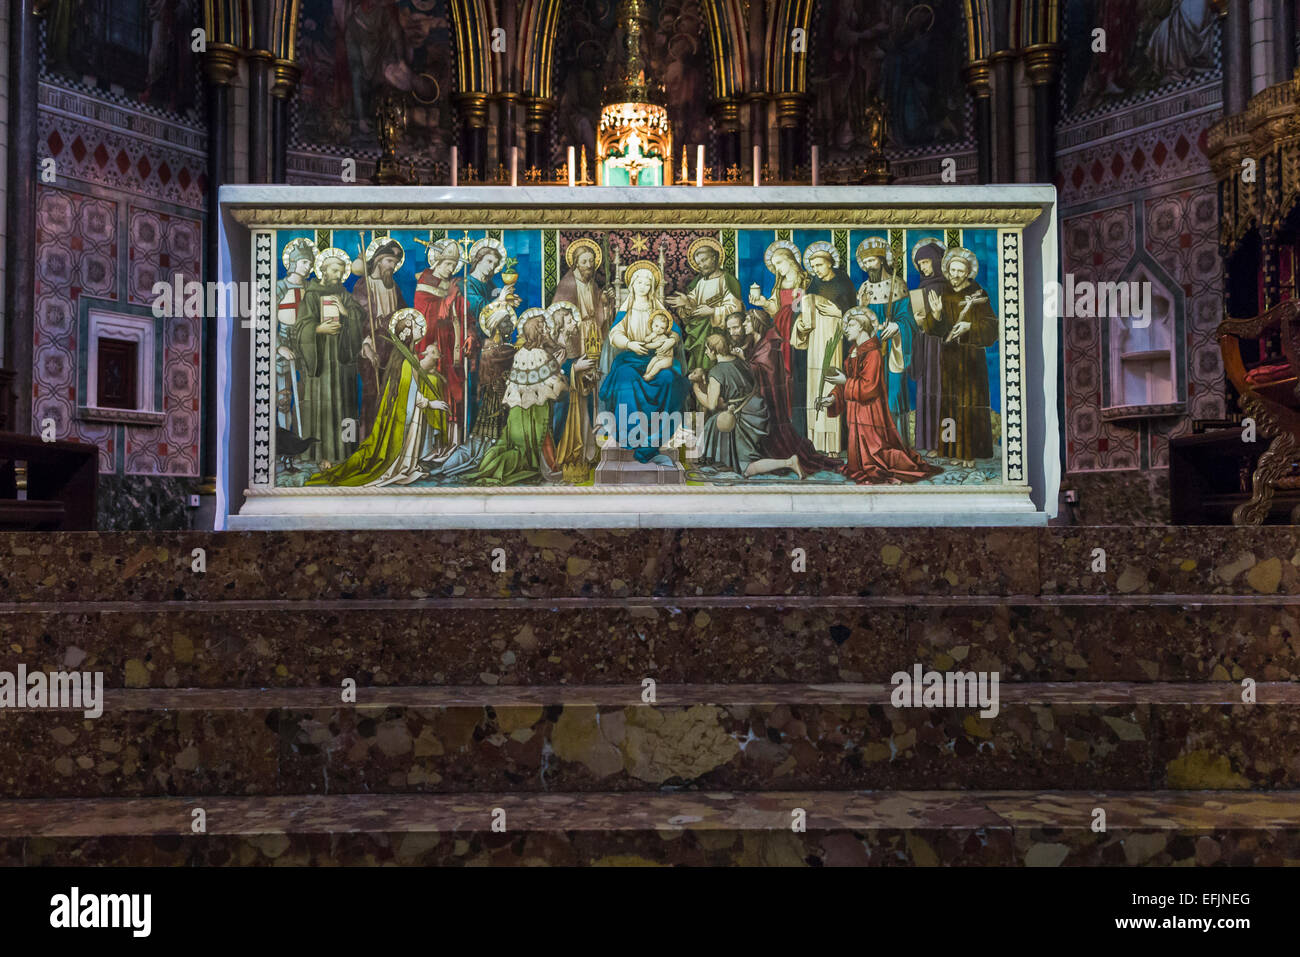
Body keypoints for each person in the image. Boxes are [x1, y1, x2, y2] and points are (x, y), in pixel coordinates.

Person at [307, 308, 449, 487]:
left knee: (409, 442)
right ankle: (400, 468)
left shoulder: (406, 356)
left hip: (409, 411)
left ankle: (407, 467)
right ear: (406, 333)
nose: (420, 327)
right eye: (415, 325)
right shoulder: (405, 359)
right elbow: (409, 391)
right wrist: (430, 403)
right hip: (405, 413)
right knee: (401, 442)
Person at [816, 309, 941, 485]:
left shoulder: (873, 353)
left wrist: (845, 380)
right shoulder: (854, 351)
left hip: (869, 412)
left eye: (851, 325)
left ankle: (873, 466)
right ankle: (859, 465)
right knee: (859, 458)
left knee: (875, 454)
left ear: (862, 327)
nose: (847, 329)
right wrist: (833, 398)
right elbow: (846, 382)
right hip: (855, 412)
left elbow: (869, 387)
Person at [598, 262, 688, 466]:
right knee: (625, 379)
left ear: (652, 287)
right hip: (631, 357)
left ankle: (656, 437)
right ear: (632, 285)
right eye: (639, 281)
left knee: (669, 379)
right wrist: (630, 343)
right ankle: (631, 436)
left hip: (655, 357)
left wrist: (671, 340)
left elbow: (674, 330)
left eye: (648, 283)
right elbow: (614, 335)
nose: (643, 286)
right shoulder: (626, 308)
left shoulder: (657, 308)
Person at [290, 247, 366, 466]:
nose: (339, 275)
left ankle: (343, 452)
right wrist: (318, 330)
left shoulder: (344, 295)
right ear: (323, 270)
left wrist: (346, 314)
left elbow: (358, 317)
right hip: (321, 362)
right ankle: (318, 454)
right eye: (334, 270)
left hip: (342, 362)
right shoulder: (312, 295)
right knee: (320, 406)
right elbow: (301, 326)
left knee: (344, 405)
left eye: (342, 272)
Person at [741, 309, 842, 476]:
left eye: (747, 321)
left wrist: (743, 362)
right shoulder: (757, 343)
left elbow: (766, 371)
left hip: (770, 403)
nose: (744, 324)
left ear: (756, 323)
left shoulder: (769, 345)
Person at [471, 310, 567, 486]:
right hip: (534, 409)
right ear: (537, 331)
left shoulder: (521, 352)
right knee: (542, 437)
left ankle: (549, 466)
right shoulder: (540, 354)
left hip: (518, 411)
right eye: (544, 327)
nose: (547, 330)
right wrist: (559, 364)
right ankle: (550, 468)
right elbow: (553, 383)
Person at [690, 333, 803, 478]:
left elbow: (711, 404)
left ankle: (789, 462)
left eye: (707, 349)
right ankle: (725, 462)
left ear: (714, 351)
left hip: (742, 418)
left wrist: (697, 390)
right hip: (755, 410)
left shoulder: (716, 372)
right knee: (713, 424)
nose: (706, 352)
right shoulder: (739, 362)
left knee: (746, 467)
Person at [934, 247, 999, 467]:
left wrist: (970, 326)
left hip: (971, 359)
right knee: (950, 403)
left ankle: (969, 453)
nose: (955, 274)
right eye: (952, 270)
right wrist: (935, 315)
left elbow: (992, 326)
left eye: (960, 271)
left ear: (968, 272)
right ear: (947, 270)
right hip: (950, 358)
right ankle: (951, 450)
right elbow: (937, 330)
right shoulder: (943, 293)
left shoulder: (978, 293)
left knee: (969, 404)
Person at [855, 238, 919, 446]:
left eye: (871, 261)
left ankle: (897, 444)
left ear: (882, 261)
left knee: (893, 394)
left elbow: (909, 319)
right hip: (871, 349)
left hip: (893, 348)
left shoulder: (898, 285)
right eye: (864, 263)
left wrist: (898, 327)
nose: (867, 266)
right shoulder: (864, 287)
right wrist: (862, 306)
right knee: (871, 394)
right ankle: (874, 444)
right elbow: (858, 321)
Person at [794, 242, 855, 454]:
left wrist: (831, 310)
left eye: (819, 265)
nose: (816, 270)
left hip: (835, 341)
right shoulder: (813, 287)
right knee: (814, 389)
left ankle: (834, 446)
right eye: (813, 266)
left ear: (830, 263)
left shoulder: (843, 285)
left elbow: (849, 314)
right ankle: (816, 443)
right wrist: (801, 324)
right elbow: (802, 314)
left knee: (832, 385)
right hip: (814, 345)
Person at [750, 240, 809, 431]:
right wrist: (763, 302)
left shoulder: (804, 280)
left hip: (796, 327)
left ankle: (797, 416)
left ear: (791, 261)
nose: (778, 269)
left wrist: (796, 302)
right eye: (775, 266)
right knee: (780, 368)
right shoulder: (780, 283)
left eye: (780, 263)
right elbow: (775, 309)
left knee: (794, 369)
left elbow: (800, 308)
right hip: (780, 326)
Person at [412, 238, 466, 435]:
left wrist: (454, 301)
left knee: (450, 384)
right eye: (447, 264)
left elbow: (455, 315)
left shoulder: (450, 284)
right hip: (430, 341)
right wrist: (448, 300)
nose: (450, 269)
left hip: (448, 343)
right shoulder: (425, 280)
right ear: (437, 262)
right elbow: (425, 311)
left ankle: (449, 436)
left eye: (453, 265)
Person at [669, 237, 742, 372]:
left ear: (714, 257)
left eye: (704, 260)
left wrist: (713, 311)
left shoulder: (726, 280)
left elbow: (736, 307)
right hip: (699, 332)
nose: (701, 265)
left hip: (719, 332)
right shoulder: (700, 282)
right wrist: (686, 303)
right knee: (699, 365)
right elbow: (692, 304)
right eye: (698, 263)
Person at [275, 237, 318, 436]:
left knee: (307, 395)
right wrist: (278, 347)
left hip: (307, 346)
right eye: (304, 262)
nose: (308, 266)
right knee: (283, 398)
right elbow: (264, 320)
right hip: (284, 344)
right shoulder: (278, 287)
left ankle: (305, 442)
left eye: (310, 263)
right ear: (293, 262)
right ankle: (284, 448)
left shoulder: (311, 288)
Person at [909, 239, 947, 454]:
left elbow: (948, 321)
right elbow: (919, 320)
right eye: (919, 264)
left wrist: (933, 319)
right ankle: (926, 441)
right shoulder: (922, 288)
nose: (923, 267)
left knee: (940, 390)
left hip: (941, 346)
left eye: (925, 262)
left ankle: (942, 443)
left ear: (936, 261)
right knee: (926, 390)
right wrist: (918, 322)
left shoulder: (947, 288)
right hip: (925, 344)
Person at [642, 310, 679, 381]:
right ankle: (646, 373)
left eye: (662, 328)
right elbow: (646, 340)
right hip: (659, 356)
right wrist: (649, 337)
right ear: (652, 325)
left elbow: (654, 345)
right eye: (656, 326)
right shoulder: (653, 334)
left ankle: (650, 376)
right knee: (652, 361)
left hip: (667, 359)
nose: (658, 329)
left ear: (665, 330)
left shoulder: (663, 337)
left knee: (657, 365)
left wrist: (645, 345)